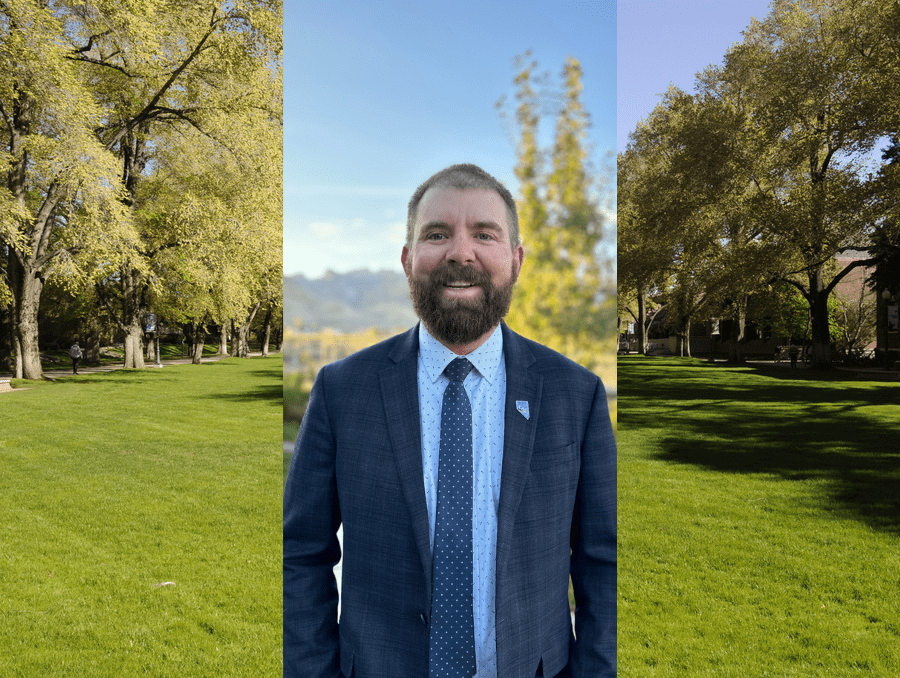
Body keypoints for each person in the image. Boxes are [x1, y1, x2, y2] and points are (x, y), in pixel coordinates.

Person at [284, 164, 616, 678]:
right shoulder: (341, 390)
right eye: (437, 234)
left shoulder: (577, 394)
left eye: (484, 234)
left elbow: (604, 563)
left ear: (516, 259)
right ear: (407, 259)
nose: (461, 251)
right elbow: (301, 553)